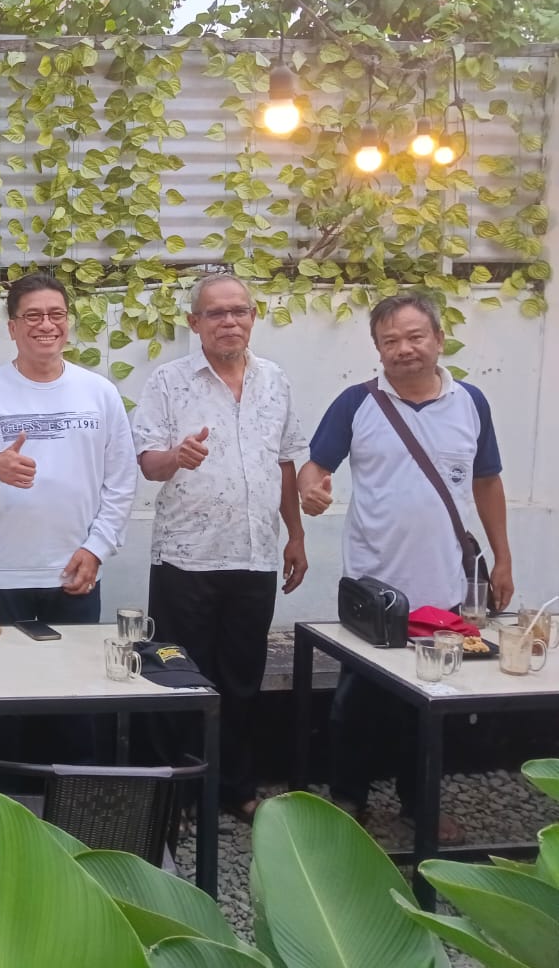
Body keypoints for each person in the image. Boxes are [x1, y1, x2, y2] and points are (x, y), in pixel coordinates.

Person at [299, 292, 513, 835]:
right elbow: (315, 468)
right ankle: (348, 801)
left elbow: (487, 481)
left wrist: (503, 559)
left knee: (433, 700)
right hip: (374, 587)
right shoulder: (356, 403)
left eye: (415, 336)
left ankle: (420, 806)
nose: (404, 349)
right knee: (357, 702)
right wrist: (311, 492)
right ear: (377, 348)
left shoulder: (471, 403)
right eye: (389, 340)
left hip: (445, 585)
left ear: (439, 339)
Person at [129, 273, 307, 822]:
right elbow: (148, 462)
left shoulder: (276, 381)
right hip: (186, 557)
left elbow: (284, 463)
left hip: (254, 554)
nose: (229, 321)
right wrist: (176, 457)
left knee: (243, 679)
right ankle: (178, 792)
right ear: (194, 322)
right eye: (216, 313)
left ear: (253, 317)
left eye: (239, 311)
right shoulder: (169, 381)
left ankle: (235, 788)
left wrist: (296, 535)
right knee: (178, 677)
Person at [0, 273, 137, 627]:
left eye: (56, 314)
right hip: (1, 573)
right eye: (33, 316)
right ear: (12, 328)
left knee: (75, 663)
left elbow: (121, 481)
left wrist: (97, 548)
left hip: (76, 565)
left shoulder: (100, 392)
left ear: (68, 321)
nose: (46, 325)